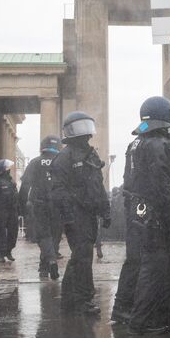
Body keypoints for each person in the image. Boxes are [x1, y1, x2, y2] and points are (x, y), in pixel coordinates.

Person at [121, 96, 170, 334]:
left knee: (154, 263)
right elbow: (161, 180)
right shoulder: (159, 144)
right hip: (156, 212)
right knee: (156, 265)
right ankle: (143, 321)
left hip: (140, 210)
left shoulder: (137, 142)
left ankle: (157, 316)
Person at [50, 112, 111, 315]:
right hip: (76, 214)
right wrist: (68, 215)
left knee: (81, 256)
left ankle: (69, 300)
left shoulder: (91, 155)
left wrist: (105, 209)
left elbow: (98, 185)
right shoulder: (64, 158)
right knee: (83, 257)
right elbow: (59, 191)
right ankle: (83, 300)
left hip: (90, 213)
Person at [20, 136, 62, 280]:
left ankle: (49, 261)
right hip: (59, 203)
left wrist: (21, 206)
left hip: (39, 203)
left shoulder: (35, 162)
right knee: (55, 235)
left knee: (44, 236)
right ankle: (44, 267)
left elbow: (25, 185)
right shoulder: (62, 161)